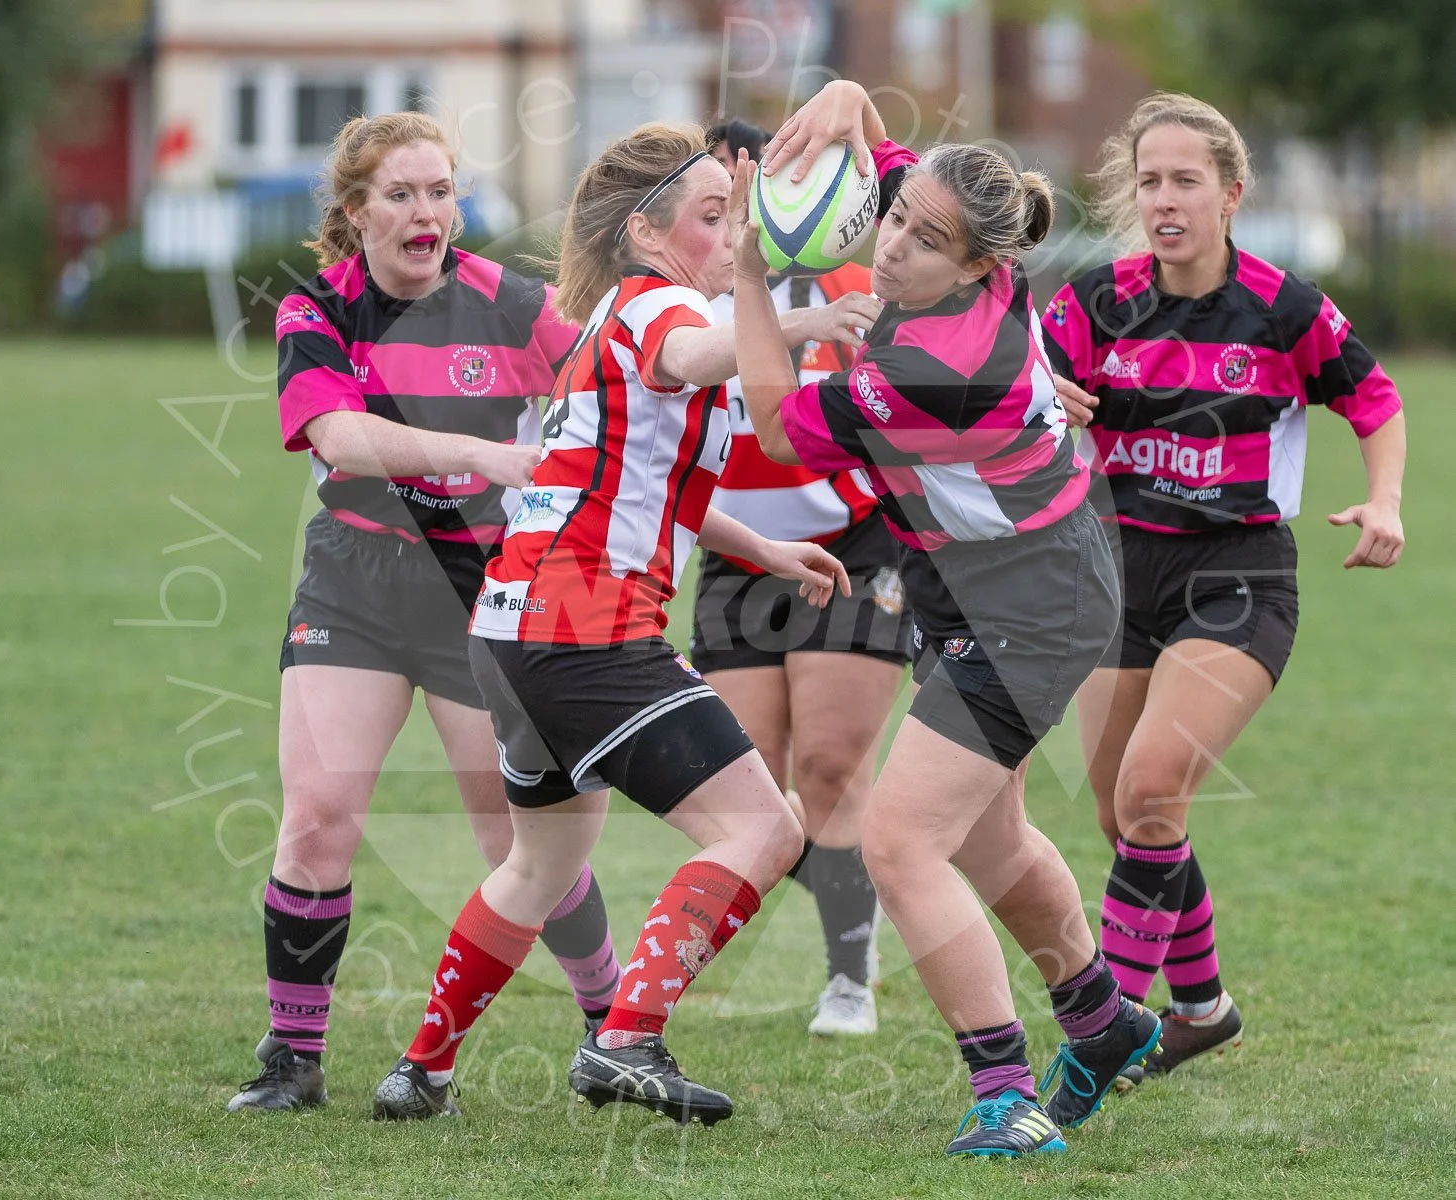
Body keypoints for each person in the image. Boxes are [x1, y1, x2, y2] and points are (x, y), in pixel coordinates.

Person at [372, 121, 876, 1125]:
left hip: (514, 628)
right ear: (648, 235)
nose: (730, 231)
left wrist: (763, 548)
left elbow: (641, 480)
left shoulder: (616, 310)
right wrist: (802, 324)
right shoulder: (657, 309)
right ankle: (627, 1040)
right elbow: (693, 355)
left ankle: (422, 1069)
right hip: (584, 625)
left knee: (540, 865)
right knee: (764, 829)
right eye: (711, 215)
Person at [732, 79, 1164, 1159]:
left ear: (979, 267)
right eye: (896, 222)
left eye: (923, 244)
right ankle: (1104, 1023)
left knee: (900, 840)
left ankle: (1003, 1096)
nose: (891, 250)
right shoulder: (964, 250)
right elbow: (887, 158)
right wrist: (847, 98)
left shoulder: (938, 364)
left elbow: (783, 427)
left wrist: (745, 268)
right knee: (985, 833)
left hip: (1031, 607)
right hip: (1007, 587)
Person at [227, 112, 625, 1113]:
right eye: (401, 194)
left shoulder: (509, 304)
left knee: (517, 843)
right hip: (354, 583)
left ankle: (612, 1025)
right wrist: (485, 455)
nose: (426, 212)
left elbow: (616, 387)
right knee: (317, 819)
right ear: (356, 213)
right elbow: (339, 436)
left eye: (440, 191)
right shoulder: (317, 308)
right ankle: (292, 1058)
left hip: (477, 592)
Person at [1040, 92, 1406, 1087]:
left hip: (1236, 574)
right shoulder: (1092, 302)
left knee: (1151, 788)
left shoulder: (1283, 306)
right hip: (1115, 569)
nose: (1165, 199)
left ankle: (1100, 1041)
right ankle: (1200, 1007)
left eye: (1186, 181)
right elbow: (1013, 390)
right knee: (1128, 820)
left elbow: (1373, 397)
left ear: (1230, 193)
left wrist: (1384, 502)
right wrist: (1048, 400)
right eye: (1150, 181)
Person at [693, 119, 910, 1036]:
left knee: (828, 768)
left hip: (856, 552)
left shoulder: (862, 294)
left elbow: (933, 391)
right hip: (736, 557)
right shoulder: (683, 306)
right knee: (746, 788)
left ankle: (849, 979)